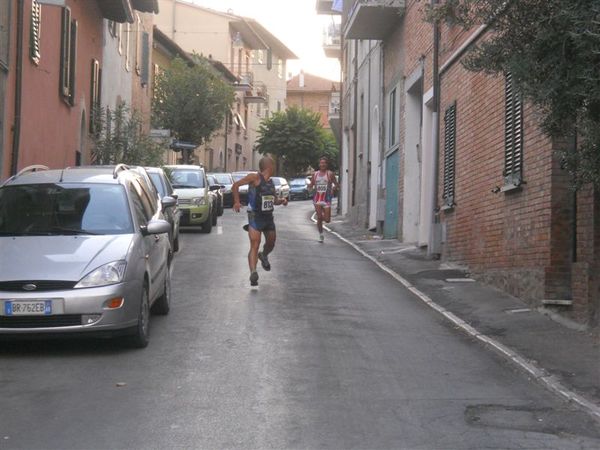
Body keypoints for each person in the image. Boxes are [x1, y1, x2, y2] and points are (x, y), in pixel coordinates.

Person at [232, 156, 288, 286]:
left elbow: (273, 200)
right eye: (274, 166)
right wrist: (236, 201)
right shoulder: (255, 177)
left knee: (271, 243)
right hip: (255, 216)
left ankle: (264, 255)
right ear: (270, 166)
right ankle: (253, 273)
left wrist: (282, 201)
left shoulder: (271, 183)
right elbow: (235, 185)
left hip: (268, 218)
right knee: (254, 245)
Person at [308, 157, 339, 243]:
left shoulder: (330, 174)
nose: (322, 164)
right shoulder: (315, 174)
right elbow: (311, 184)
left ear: (326, 164)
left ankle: (321, 218)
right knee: (319, 217)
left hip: (327, 199)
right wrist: (309, 187)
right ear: (319, 164)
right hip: (317, 199)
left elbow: (336, 184)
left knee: (327, 220)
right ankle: (321, 234)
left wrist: (333, 189)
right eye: (321, 163)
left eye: (324, 163)